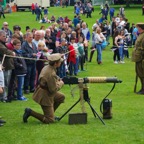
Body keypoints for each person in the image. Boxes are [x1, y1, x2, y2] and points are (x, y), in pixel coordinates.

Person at [23, 53, 65, 124]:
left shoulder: (48, 67)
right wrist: (60, 83)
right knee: (50, 120)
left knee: (61, 97)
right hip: (45, 95)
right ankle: (30, 112)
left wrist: (57, 79)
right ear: (55, 63)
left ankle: (50, 114)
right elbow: (53, 90)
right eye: (59, 61)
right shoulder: (51, 73)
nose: (61, 62)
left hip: (45, 91)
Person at [132, 23, 144, 94]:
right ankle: (142, 88)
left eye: (138, 28)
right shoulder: (140, 35)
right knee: (139, 73)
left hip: (141, 58)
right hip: (138, 58)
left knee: (142, 74)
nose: (137, 29)